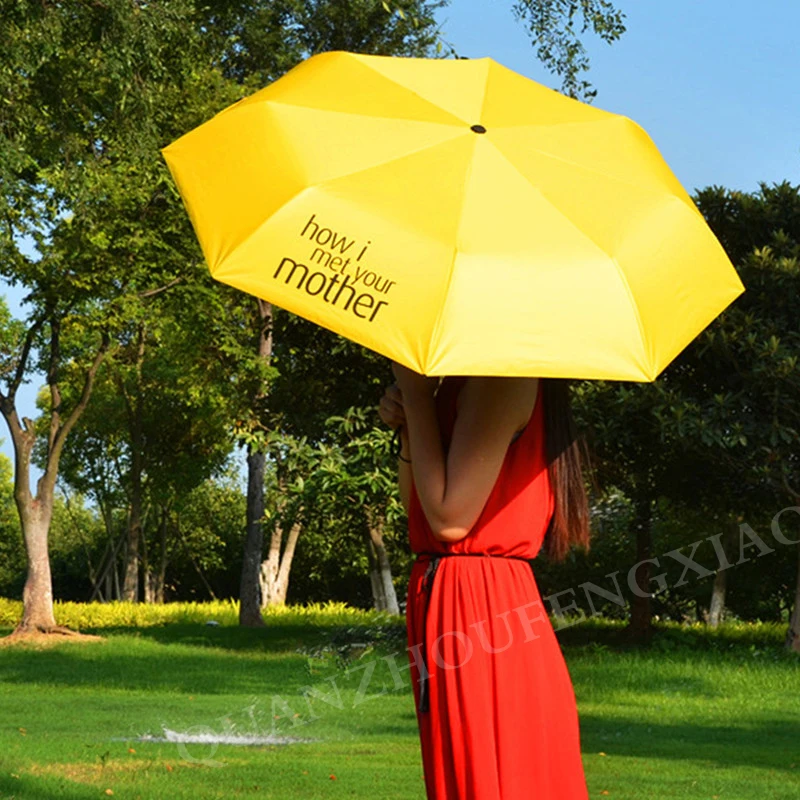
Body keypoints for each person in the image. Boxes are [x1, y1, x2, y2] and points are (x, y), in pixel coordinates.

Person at [378, 364, 593, 800]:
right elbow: (418, 504)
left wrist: (417, 399)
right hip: (458, 592)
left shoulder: (501, 378)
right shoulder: (472, 381)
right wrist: (409, 425)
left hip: (478, 602)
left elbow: (450, 520)